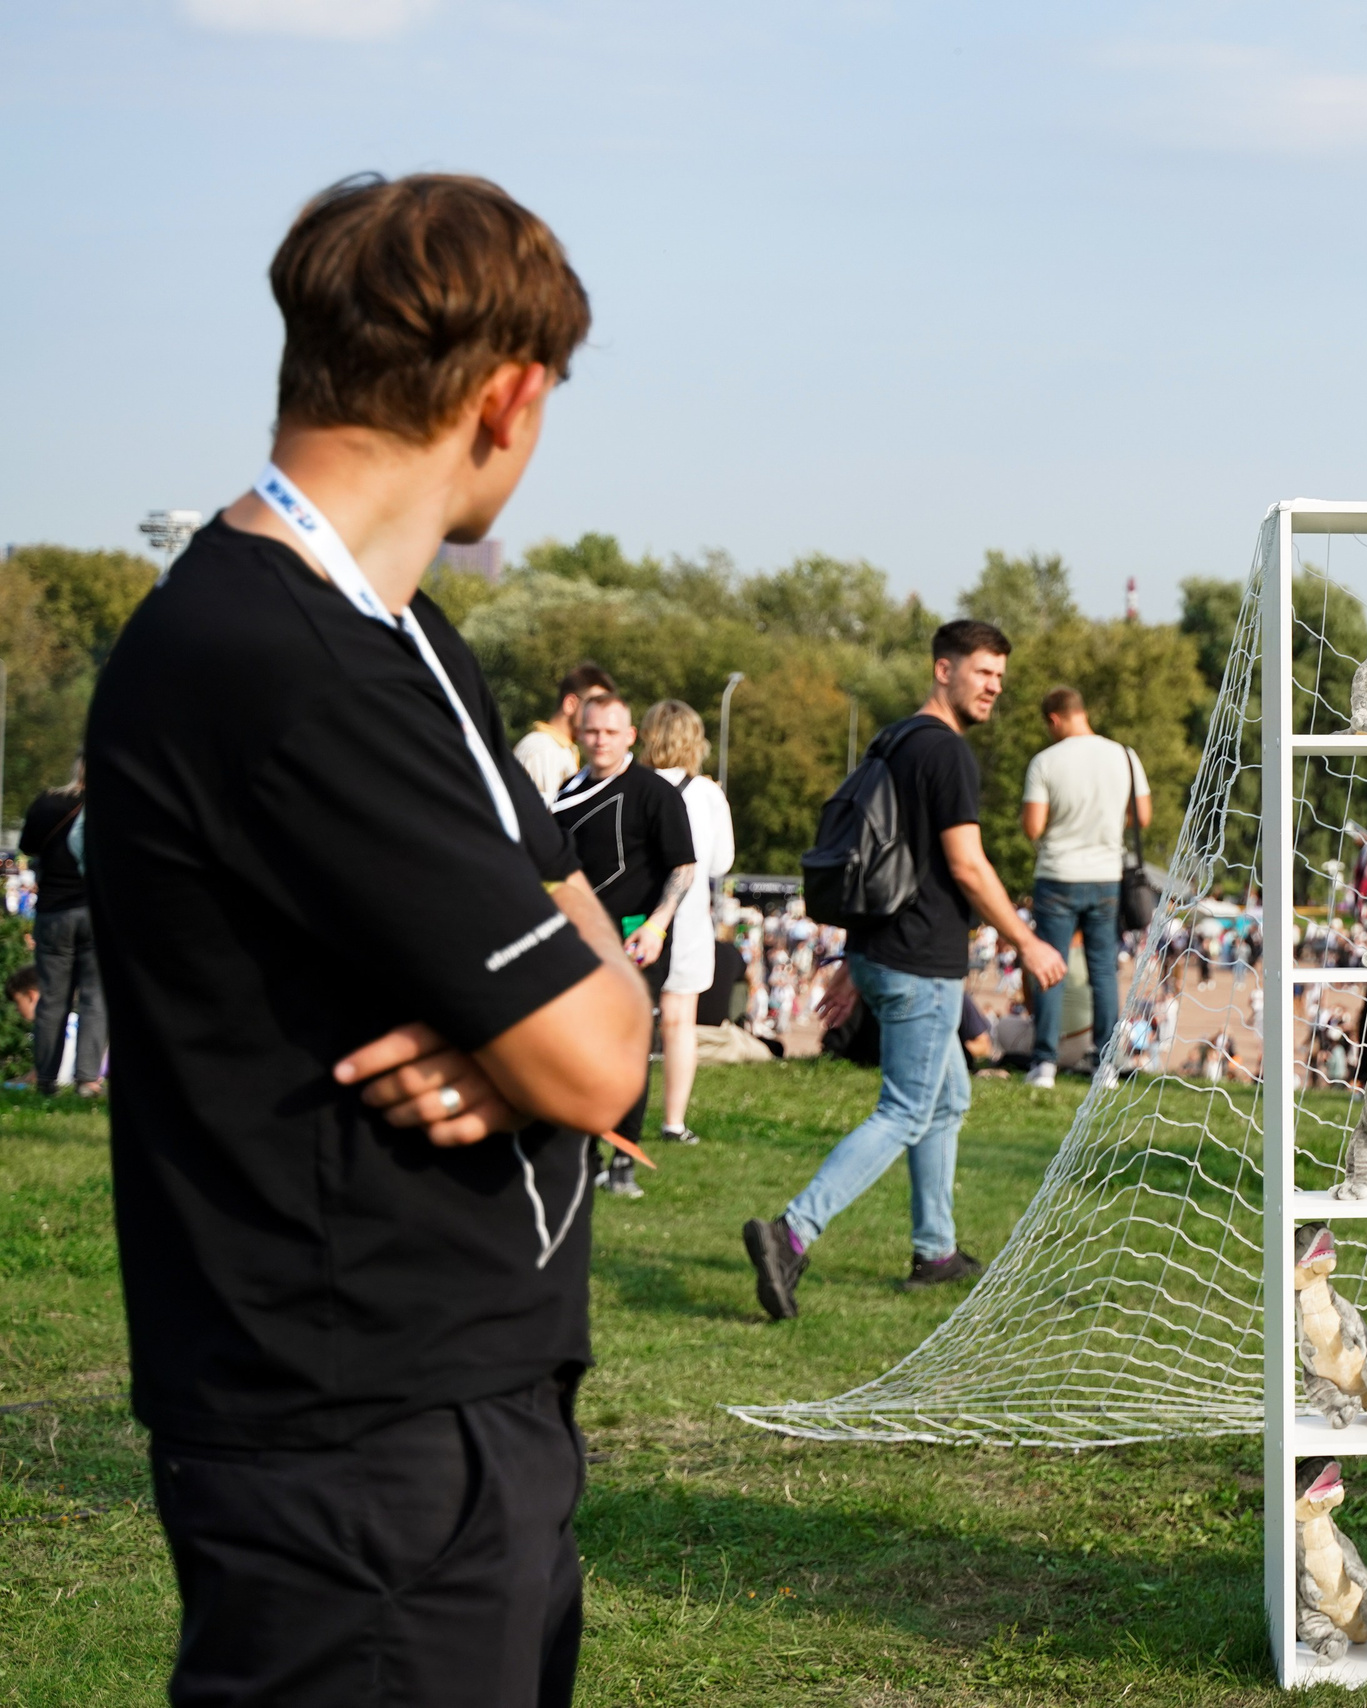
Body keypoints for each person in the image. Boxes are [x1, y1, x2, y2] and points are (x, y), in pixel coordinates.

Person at [82, 173, 652, 1708]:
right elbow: (600, 1044)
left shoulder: (391, 629)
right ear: (509, 398)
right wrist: (557, 1041)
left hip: (456, 1411)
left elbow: (593, 972)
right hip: (355, 1448)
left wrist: (542, 1043)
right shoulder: (275, 656)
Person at [741, 621, 1065, 1317]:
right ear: (942, 669)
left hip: (886, 952)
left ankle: (936, 1252)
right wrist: (1027, 943)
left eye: (1001, 679)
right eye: (983, 672)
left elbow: (882, 856)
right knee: (907, 1107)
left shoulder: (890, 740)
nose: (993, 688)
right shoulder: (945, 753)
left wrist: (855, 959)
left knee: (947, 1099)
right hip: (919, 961)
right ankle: (791, 1234)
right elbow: (965, 864)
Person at [552, 693, 697, 1195]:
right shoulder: (566, 793)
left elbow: (684, 866)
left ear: (630, 736)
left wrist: (657, 925)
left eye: (611, 732)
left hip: (638, 940)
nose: (601, 741)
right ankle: (583, 1154)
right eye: (592, 732)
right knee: (578, 1048)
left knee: (630, 1049)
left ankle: (623, 1157)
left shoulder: (655, 794)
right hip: (579, 942)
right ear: (580, 733)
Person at [1018, 685, 1150, 1089]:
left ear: (1054, 719)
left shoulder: (1045, 761)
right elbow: (1141, 816)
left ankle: (1044, 1063)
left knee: (1050, 967)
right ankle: (1106, 1062)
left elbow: (1033, 827)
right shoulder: (1124, 756)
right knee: (1102, 971)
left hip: (1057, 873)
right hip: (1106, 874)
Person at [639, 699, 735, 1145]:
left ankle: (619, 1112)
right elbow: (721, 862)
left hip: (637, 915)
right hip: (689, 919)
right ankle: (673, 1121)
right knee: (679, 1023)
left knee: (632, 1018)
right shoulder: (707, 794)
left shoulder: (631, 784)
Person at [17, 762, 107, 1095]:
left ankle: (45, 1081)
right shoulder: (112, 805)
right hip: (96, 911)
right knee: (95, 998)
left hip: (54, 910)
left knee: (52, 999)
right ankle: (87, 1080)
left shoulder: (47, 803)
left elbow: (28, 846)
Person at [513, 660, 616, 802]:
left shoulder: (560, 750)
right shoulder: (543, 751)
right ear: (570, 704)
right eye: (593, 707)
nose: (599, 719)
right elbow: (546, 817)